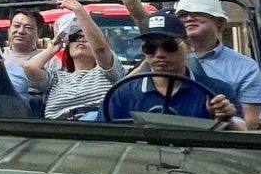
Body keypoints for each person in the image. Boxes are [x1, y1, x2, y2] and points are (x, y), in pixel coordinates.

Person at [101, 11, 239, 123]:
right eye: (150, 47)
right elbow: (100, 138)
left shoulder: (216, 92)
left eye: (169, 46)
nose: (159, 54)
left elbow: (246, 133)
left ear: (188, 46)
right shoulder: (122, 93)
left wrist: (226, 119)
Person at [172, 0, 261, 129]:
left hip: (219, 143)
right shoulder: (162, 59)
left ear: (219, 21)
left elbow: (250, 125)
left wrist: (226, 118)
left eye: (198, 13)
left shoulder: (245, 67)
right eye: (182, 15)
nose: (189, 18)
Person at [22, 0, 126, 120]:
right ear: (68, 45)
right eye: (75, 37)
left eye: (87, 38)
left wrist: (79, 10)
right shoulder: (57, 78)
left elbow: (101, 49)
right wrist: (52, 49)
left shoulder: (109, 73)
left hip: (95, 126)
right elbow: (30, 68)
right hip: (58, 129)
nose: (81, 40)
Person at [0, 9, 45, 110]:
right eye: (16, 26)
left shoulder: (49, 59)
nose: (20, 31)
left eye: (28, 27)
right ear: (9, 30)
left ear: (39, 33)